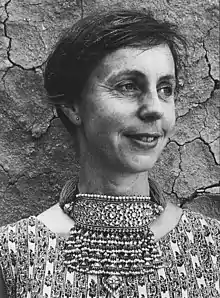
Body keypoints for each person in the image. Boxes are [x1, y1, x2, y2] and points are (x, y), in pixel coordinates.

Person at [0, 9, 219, 298]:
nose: (155, 108)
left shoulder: (211, 248)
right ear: (73, 106)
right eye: (128, 86)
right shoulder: (16, 256)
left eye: (165, 89)